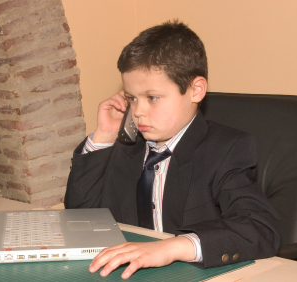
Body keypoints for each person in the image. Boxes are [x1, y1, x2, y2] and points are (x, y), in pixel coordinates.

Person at [64, 20, 280, 279]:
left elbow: (261, 228)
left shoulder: (226, 150)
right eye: (131, 98)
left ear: (195, 90)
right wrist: (103, 138)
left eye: (152, 98)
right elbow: (80, 218)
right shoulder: (127, 147)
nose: (138, 111)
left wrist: (173, 247)